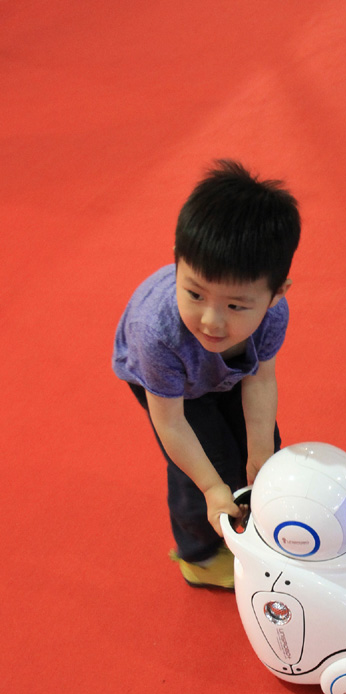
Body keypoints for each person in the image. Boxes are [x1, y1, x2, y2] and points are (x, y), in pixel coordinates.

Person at [112, 160, 301, 590]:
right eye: (194, 293)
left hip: (227, 372)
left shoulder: (272, 316)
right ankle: (198, 555)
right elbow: (172, 424)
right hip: (171, 384)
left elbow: (260, 380)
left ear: (276, 294)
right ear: (176, 263)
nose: (211, 321)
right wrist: (214, 489)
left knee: (261, 454)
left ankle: (255, 524)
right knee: (209, 472)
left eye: (235, 305)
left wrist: (261, 454)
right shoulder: (155, 331)